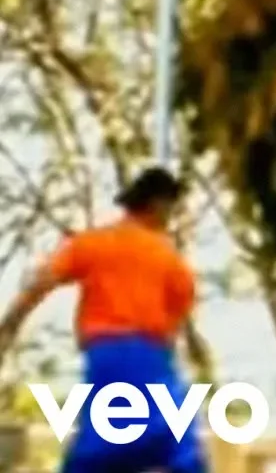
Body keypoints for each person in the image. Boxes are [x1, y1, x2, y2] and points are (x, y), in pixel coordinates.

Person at [0, 166, 206, 473]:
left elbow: (42, 282)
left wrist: (9, 326)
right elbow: (175, 322)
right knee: (176, 446)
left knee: (103, 444)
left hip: (105, 356)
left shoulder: (94, 243)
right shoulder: (171, 261)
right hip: (148, 357)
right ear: (158, 204)